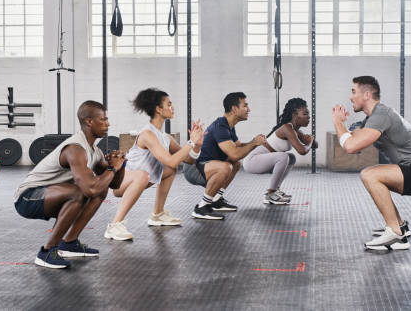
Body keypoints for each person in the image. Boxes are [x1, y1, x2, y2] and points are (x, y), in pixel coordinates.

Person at [331, 76, 411, 250]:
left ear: (366, 95)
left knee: (370, 175)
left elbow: (351, 147)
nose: (350, 97)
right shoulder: (372, 119)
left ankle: (395, 234)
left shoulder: (382, 114)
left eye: (353, 91)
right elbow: (352, 143)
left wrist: (337, 122)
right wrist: (343, 126)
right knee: (373, 173)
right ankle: (400, 227)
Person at [14, 100, 126, 268]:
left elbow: (114, 185)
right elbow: (89, 188)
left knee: (100, 191)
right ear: (89, 121)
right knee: (81, 193)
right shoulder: (75, 148)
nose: (108, 124)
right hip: (28, 198)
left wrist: (120, 164)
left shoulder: (95, 151)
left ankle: (69, 243)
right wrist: (113, 169)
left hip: (51, 194)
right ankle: (46, 252)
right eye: (103, 120)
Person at [104, 88, 205, 241]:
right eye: (169, 104)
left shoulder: (165, 137)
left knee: (170, 169)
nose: (173, 107)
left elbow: (188, 160)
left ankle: (157, 215)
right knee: (145, 174)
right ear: (158, 109)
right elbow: (172, 159)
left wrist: (197, 145)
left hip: (142, 179)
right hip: (120, 182)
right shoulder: (147, 134)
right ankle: (114, 226)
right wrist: (190, 142)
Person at [192, 92, 266, 220]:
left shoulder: (229, 126)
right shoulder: (220, 127)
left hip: (208, 165)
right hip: (195, 168)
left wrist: (254, 142)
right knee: (226, 167)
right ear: (234, 109)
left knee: (235, 164)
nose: (249, 109)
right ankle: (201, 207)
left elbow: (237, 147)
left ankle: (216, 199)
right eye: (245, 106)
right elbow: (235, 153)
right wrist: (254, 143)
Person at [242, 98, 317, 204]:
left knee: (291, 157)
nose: (309, 117)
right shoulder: (286, 128)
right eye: (305, 114)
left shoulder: (296, 131)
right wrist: (309, 142)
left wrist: (311, 140)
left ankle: (275, 190)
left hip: (262, 161)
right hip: (252, 162)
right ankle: (270, 194)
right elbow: (302, 151)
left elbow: (314, 145)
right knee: (283, 156)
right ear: (294, 115)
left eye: (308, 114)